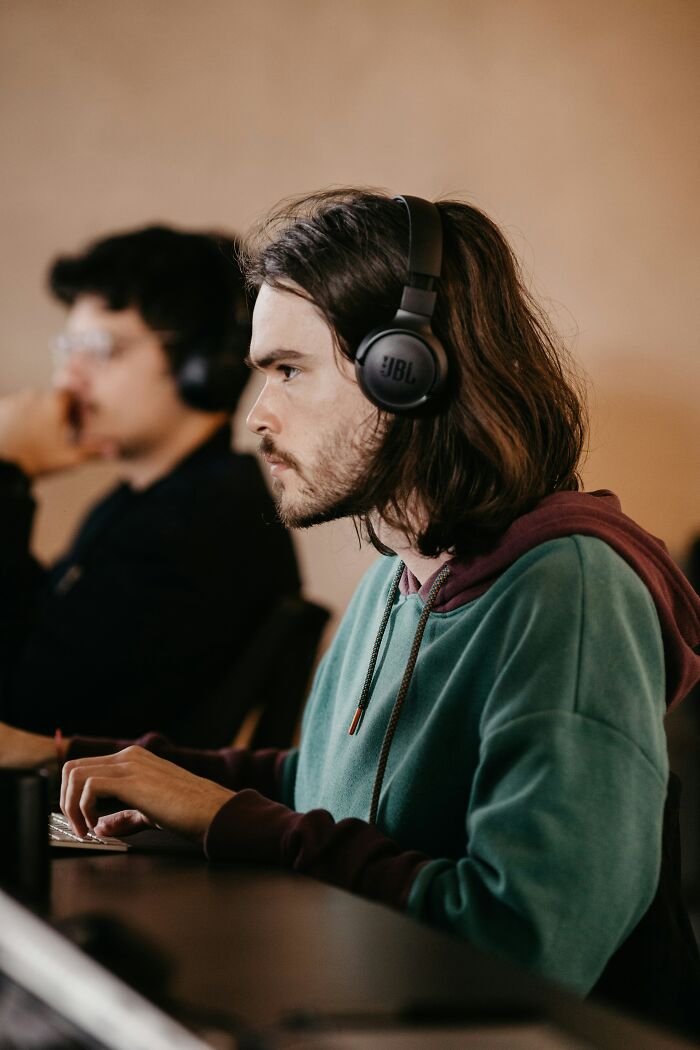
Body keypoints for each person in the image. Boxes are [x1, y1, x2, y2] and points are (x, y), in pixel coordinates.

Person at [2, 191, 699, 1032]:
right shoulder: (396, 577)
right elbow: (316, 792)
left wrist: (232, 821)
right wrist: (94, 759)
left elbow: (525, 940)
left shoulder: (571, 593)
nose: (257, 416)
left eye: (289, 371)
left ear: (404, 372)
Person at [0, 225, 300, 739]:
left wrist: (7, 473)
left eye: (99, 349)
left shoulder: (199, 528)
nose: (69, 378)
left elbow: (23, 708)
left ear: (203, 366)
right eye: (67, 349)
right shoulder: (146, 504)